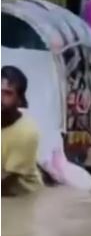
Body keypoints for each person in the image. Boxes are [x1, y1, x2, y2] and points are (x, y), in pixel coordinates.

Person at [2, 66, 42, 196]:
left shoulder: (26, 132)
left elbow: (7, 182)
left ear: (20, 100)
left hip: (22, 196)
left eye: (7, 93)